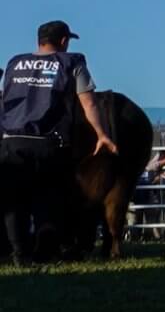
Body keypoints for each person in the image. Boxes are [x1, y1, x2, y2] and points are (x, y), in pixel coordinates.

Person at [0, 21, 118, 265]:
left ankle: (20, 256)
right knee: (48, 200)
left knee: (15, 202)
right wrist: (102, 134)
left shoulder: (14, 63)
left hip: (11, 141)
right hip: (48, 142)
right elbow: (89, 103)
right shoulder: (72, 62)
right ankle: (44, 254)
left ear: (39, 40)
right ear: (64, 40)